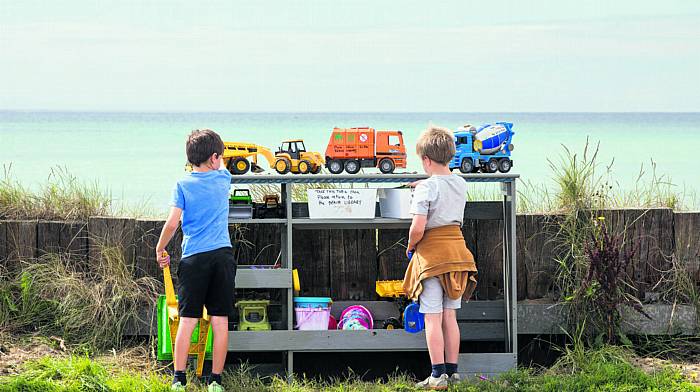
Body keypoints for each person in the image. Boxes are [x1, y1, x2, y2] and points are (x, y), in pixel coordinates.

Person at [156, 129, 235, 392]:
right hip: (222, 256)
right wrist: (218, 159)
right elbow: (221, 165)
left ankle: (179, 378)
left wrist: (160, 247)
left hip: (194, 259)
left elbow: (172, 223)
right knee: (219, 320)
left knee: (187, 320)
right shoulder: (224, 178)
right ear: (215, 158)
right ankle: (216, 381)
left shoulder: (182, 184)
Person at [402, 126, 478, 390]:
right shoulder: (461, 183)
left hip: (433, 258)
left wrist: (410, 247)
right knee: (449, 317)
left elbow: (418, 228)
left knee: (431, 318)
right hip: (458, 255)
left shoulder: (426, 189)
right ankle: (453, 372)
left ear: (425, 160)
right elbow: (442, 185)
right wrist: (425, 183)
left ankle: (437, 376)